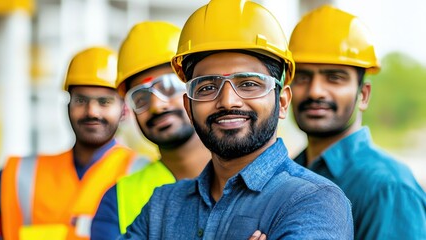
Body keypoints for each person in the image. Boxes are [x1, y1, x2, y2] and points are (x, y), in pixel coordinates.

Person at [120, 0, 354, 239]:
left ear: (282, 102)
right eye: (208, 87)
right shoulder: (163, 206)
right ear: (189, 108)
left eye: (249, 84)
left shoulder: (314, 201)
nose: (228, 101)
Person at [289, 5, 426, 240]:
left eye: (334, 78)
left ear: (363, 95)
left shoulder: (388, 188)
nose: (315, 91)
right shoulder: (291, 172)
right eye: (302, 77)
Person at [0, 46, 148, 240]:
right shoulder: (19, 174)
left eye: (104, 102)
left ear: (124, 110)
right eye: (81, 100)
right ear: (68, 105)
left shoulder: (144, 173)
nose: (92, 111)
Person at [90, 21, 211, 239]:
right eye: (141, 97)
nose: (157, 106)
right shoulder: (118, 199)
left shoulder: (250, 176)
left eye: (168, 87)